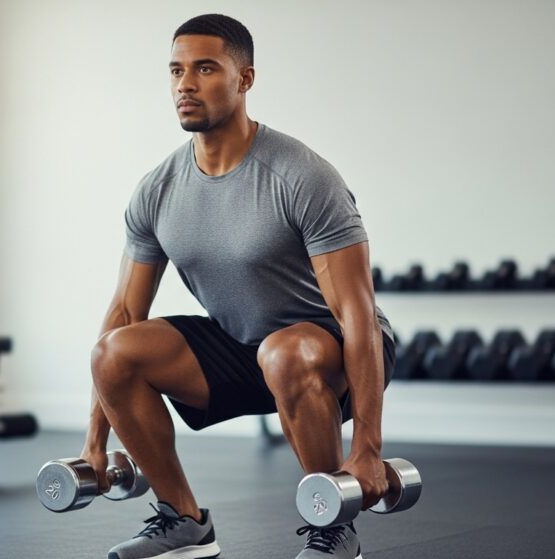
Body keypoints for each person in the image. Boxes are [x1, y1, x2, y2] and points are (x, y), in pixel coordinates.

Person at [84, 13, 396, 559]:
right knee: (115, 351)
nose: (185, 84)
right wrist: (94, 439)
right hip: (244, 345)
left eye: (205, 69)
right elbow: (124, 313)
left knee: (284, 352)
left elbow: (357, 312)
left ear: (244, 79)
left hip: (334, 348)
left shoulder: (301, 176)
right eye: (177, 71)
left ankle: (335, 525)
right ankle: (184, 522)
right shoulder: (157, 190)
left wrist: (367, 446)